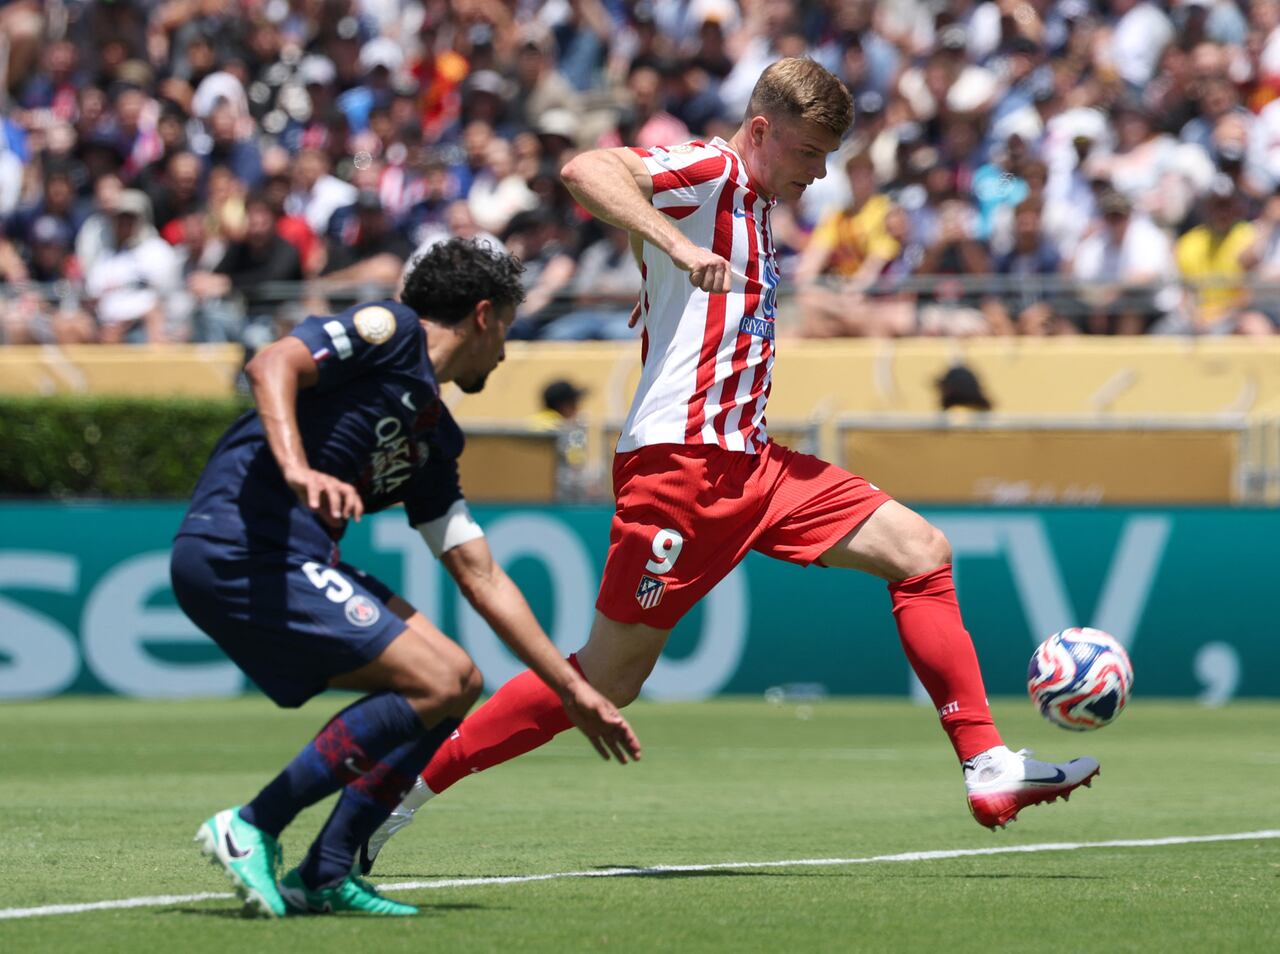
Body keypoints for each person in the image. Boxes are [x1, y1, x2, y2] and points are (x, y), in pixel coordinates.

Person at [369, 58, 1101, 872]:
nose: (819, 173)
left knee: (920, 552)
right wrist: (674, 241)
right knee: (605, 680)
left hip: (749, 463)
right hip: (683, 469)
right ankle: (398, 794)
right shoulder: (713, 171)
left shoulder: (754, 205)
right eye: (809, 153)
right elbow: (587, 169)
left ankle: (987, 764)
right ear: (760, 132)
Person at [170, 239, 639, 918]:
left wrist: (573, 689)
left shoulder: (433, 438)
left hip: (292, 556)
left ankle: (327, 868)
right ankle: (254, 824)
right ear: (484, 315)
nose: (507, 351)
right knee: (436, 679)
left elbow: (480, 576)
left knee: (459, 680)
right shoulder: (389, 331)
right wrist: (299, 470)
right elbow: (271, 361)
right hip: (239, 544)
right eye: (507, 327)